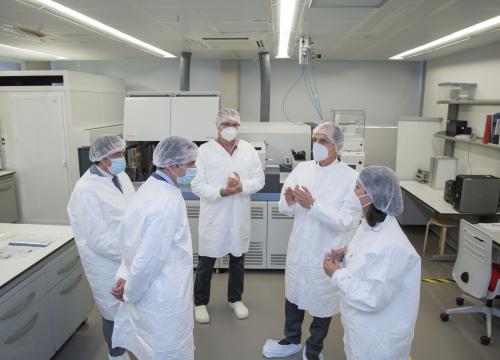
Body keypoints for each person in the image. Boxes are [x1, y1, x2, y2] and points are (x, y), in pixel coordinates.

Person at [263, 122, 362, 360]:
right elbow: (285, 208)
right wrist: (288, 200)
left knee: (323, 301)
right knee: (294, 296)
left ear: (337, 146)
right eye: (315, 139)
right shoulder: (303, 169)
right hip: (300, 246)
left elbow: (348, 220)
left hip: (326, 251)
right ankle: (291, 339)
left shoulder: (351, 178)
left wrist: (313, 205)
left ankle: (315, 347)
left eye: (324, 141)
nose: (317, 144)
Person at [111, 137, 198, 360]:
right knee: (166, 349)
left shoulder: (153, 188)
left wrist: (125, 275)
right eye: (190, 164)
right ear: (172, 165)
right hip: (162, 292)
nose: (194, 169)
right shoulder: (164, 201)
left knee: (149, 345)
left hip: (147, 288)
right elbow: (150, 258)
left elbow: (130, 241)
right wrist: (129, 290)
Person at [323, 166, 421, 360]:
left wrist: (336, 274)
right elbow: (367, 261)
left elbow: (371, 298)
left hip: (378, 340)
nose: (354, 191)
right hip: (361, 328)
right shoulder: (371, 224)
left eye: (358, 187)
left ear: (373, 196)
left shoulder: (392, 246)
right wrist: (346, 256)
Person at [191, 108, 265, 323]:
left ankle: (235, 299)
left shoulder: (248, 150)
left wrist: (241, 186)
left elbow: (258, 180)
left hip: (238, 214)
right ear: (217, 126)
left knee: (238, 259)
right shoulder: (204, 151)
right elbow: (197, 185)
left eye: (234, 125)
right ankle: (200, 303)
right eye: (226, 124)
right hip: (215, 215)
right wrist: (220, 192)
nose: (230, 128)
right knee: (206, 261)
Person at [67, 135, 135, 360]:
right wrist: (132, 251)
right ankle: (116, 355)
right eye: (117, 155)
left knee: (130, 307)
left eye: (122, 154)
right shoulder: (86, 190)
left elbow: (131, 210)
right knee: (112, 313)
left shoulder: (120, 176)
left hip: (127, 256)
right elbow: (98, 239)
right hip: (106, 262)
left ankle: (128, 346)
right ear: (102, 159)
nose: (122, 159)